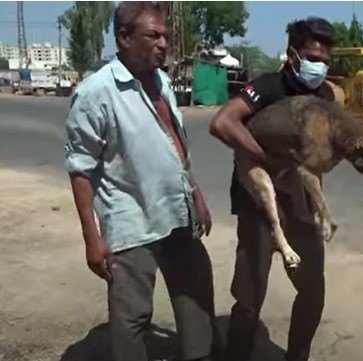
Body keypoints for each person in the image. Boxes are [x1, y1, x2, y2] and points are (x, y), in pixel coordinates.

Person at [64, 3, 216, 361]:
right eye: (153, 35)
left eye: (165, 35)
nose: (164, 43)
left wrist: (195, 193)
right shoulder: (96, 92)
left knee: (196, 293)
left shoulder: (160, 80)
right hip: (133, 222)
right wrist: (92, 238)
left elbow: (173, 143)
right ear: (123, 38)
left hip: (177, 213)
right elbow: (80, 168)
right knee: (132, 317)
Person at [209, 17, 337, 361]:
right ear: (293, 55)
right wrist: (266, 158)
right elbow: (222, 122)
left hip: (301, 207)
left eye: (325, 60)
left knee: (312, 292)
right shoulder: (267, 87)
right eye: (313, 57)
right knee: (251, 298)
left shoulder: (323, 95)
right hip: (259, 208)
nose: (319, 66)